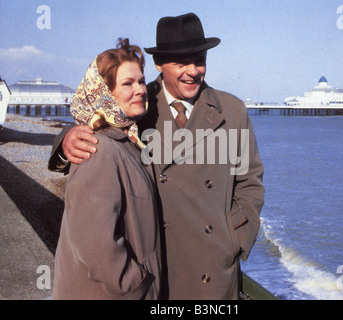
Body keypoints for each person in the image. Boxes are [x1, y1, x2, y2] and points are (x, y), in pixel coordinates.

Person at [49, 13, 264, 300]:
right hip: (157, 269)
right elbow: (98, 129)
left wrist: (235, 238)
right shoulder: (138, 104)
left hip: (214, 267)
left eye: (199, 60)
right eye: (180, 63)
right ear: (159, 63)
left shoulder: (232, 110)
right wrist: (66, 139)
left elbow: (250, 181)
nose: (193, 71)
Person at [52, 38, 162, 300]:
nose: (140, 90)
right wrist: (137, 287)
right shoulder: (98, 149)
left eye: (141, 81)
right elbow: (94, 243)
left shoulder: (126, 140)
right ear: (105, 93)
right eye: (127, 83)